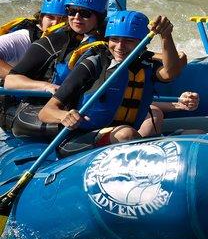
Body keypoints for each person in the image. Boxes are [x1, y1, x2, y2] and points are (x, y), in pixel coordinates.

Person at [37, 10, 184, 157]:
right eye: (114, 39)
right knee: (127, 134)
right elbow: (46, 112)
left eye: (128, 41)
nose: (120, 46)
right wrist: (63, 115)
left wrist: (166, 36)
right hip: (80, 140)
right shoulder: (93, 64)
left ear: (142, 43)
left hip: (123, 137)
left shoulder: (146, 65)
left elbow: (171, 72)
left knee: (193, 133)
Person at [4, 0, 109, 134]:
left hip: (76, 109)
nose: (76, 18)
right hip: (33, 110)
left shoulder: (111, 42)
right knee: (76, 126)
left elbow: (142, 56)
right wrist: (46, 86)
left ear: (99, 16)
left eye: (84, 13)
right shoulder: (53, 41)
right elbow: (10, 81)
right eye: (72, 12)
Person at [0, 0, 69, 79]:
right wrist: (19, 80)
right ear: (41, 18)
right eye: (50, 17)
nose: (55, 23)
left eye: (63, 19)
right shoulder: (22, 38)